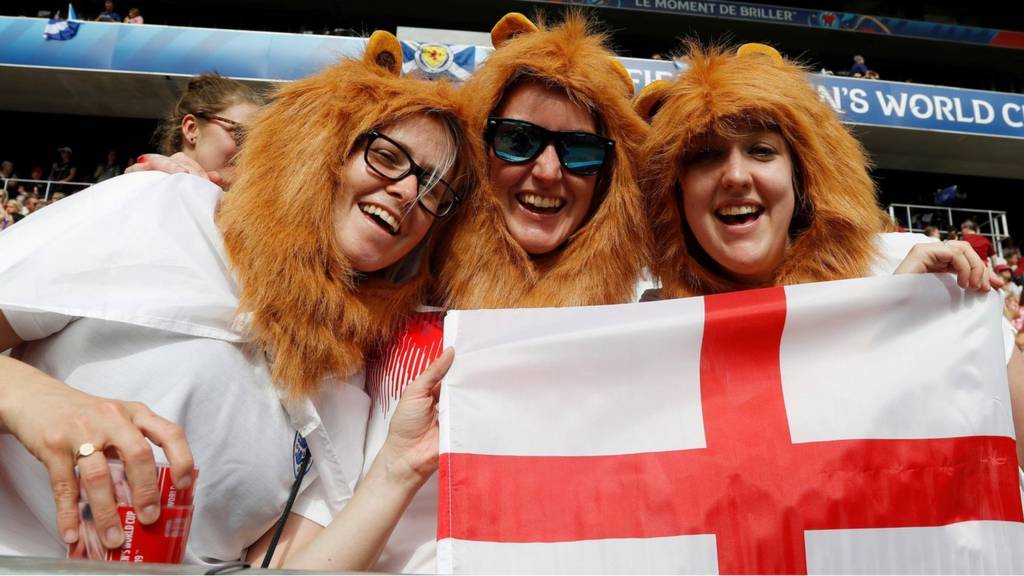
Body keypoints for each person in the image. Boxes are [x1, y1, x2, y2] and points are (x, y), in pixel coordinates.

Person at [0, 30, 479, 570]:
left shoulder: (351, 371)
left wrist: (400, 466)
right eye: (387, 157)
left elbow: (290, 569)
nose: (409, 193)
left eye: (435, 192)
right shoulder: (164, 208)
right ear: (320, 150)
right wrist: (28, 399)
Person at [633, 42, 1021, 460]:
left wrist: (906, 318)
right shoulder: (647, 326)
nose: (736, 176)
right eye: (705, 155)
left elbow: (1008, 442)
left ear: (802, 179)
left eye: (761, 151)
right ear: (675, 192)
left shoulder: (903, 265)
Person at [365, 12, 652, 573]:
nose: (547, 171)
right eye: (518, 140)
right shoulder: (393, 270)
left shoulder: (645, 318)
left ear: (607, 178)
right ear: (479, 145)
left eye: (581, 151)